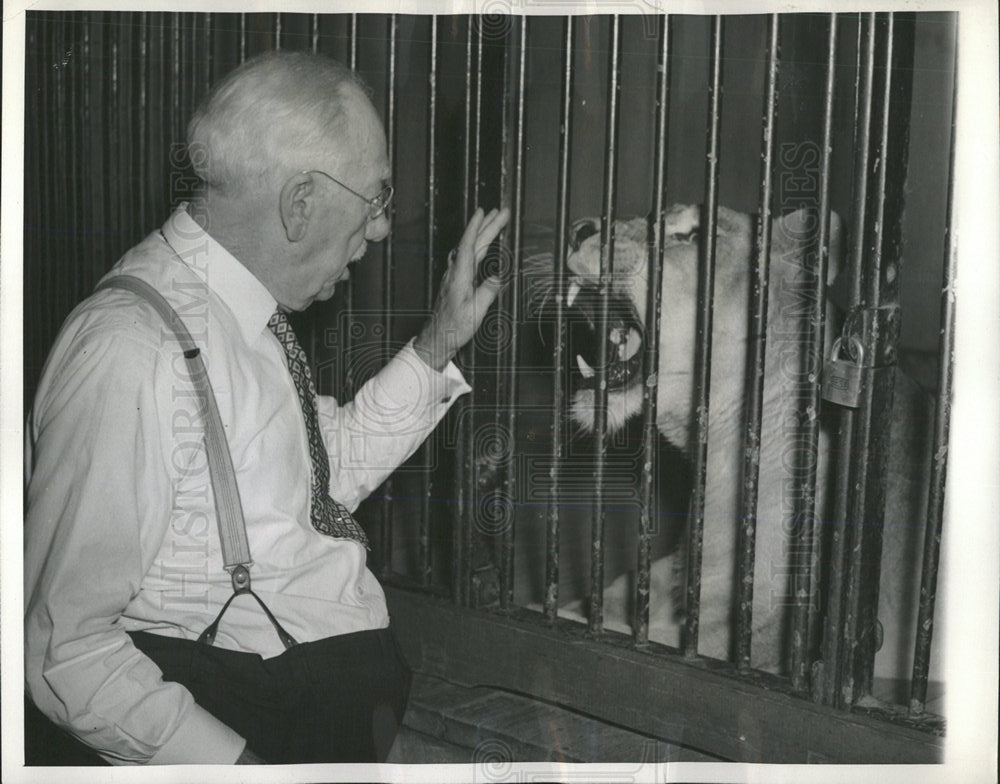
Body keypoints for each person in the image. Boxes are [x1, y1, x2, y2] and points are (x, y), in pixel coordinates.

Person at [23, 50, 510, 765]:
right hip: (255, 737)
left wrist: (437, 344)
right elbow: (60, 645)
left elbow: (310, 479)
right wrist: (228, 766)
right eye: (375, 198)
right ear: (301, 201)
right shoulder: (134, 348)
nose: (379, 229)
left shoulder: (234, 311)